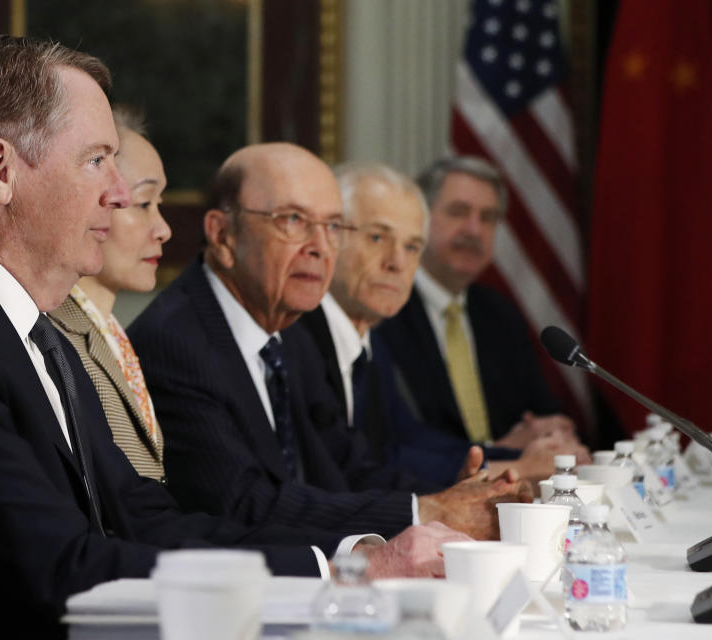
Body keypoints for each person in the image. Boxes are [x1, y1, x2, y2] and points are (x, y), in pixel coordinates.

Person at [0, 35, 462, 637]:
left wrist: (353, 558)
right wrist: (339, 571)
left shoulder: (37, 329)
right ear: (0, 171)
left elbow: (149, 520)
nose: (118, 193)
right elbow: (58, 564)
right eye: (96, 160)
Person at [129, 143, 530, 545]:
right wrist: (424, 511)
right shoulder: (175, 342)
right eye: (293, 220)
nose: (320, 247)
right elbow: (244, 504)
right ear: (222, 235)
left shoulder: (288, 335)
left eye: (333, 226)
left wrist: (448, 496)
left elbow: (345, 467)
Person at [297, 162, 586, 486]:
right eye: (378, 238)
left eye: (410, 246)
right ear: (329, 237)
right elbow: (363, 468)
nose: (396, 262)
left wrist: (533, 449)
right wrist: (509, 468)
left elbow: (401, 439)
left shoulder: (496, 314)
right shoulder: (303, 337)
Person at [377, 155, 588, 455]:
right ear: (419, 219)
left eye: (487, 218)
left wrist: (551, 429)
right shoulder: (385, 310)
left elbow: (541, 409)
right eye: (459, 212)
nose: (474, 230)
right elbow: (401, 442)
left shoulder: (499, 314)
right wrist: (494, 451)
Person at [49, 107, 169, 482]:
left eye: (160, 205)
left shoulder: (111, 331)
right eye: (144, 203)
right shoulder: (52, 335)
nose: (163, 229)